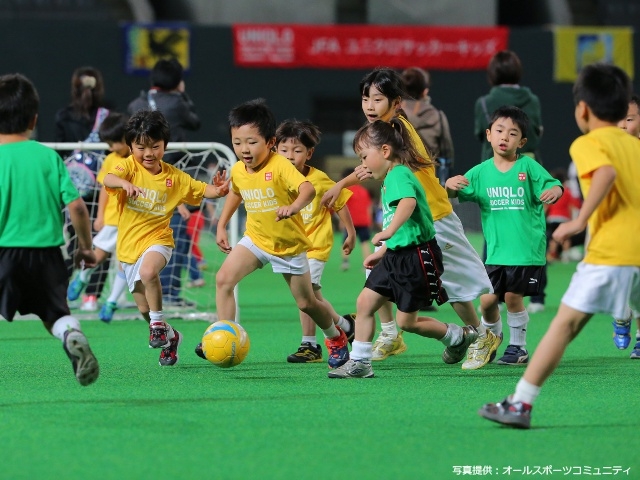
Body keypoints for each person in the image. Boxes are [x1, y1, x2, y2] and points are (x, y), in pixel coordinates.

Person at [478, 63, 640, 429]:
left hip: (613, 255)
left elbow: (606, 174)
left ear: (582, 109)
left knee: (563, 326)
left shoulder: (588, 142)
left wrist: (580, 221)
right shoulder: (634, 145)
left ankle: (520, 404)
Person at [323, 68, 499, 370]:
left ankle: (482, 335)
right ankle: (391, 334)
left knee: (454, 284)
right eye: (366, 99)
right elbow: (369, 165)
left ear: (396, 103)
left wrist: (347, 187)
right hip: (405, 222)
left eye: (378, 99)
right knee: (375, 276)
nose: (369, 105)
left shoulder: (396, 131)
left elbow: (385, 172)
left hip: (432, 217)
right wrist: (341, 184)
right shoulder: (382, 134)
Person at [328, 119, 478, 378]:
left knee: (406, 322)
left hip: (417, 257)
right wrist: (384, 251)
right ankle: (360, 363)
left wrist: (388, 233)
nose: (362, 165)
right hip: (396, 254)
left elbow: (407, 204)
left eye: (364, 157)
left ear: (385, 151)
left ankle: (457, 336)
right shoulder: (389, 177)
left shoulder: (398, 175)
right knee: (364, 303)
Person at [210, 98, 350, 370]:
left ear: (270, 142)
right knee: (224, 279)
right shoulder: (239, 169)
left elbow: (307, 189)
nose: (244, 149)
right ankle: (226, 336)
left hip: (287, 245)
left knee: (307, 302)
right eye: (237, 142)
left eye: (252, 142)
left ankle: (336, 337)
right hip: (256, 239)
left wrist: (293, 206)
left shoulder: (280, 165)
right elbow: (236, 192)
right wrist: (221, 224)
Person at [102, 110, 229, 367]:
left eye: (155, 147)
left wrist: (219, 189)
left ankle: (159, 326)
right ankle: (171, 336)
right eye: (141, 147)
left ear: (165, 146)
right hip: (128, 248)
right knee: (142, 310)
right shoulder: (128, 167)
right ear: (130, 147)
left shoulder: (175, 177)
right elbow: (108, 178)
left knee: (149, 272)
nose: (148, 153)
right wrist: (123, 184)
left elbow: (204, 190)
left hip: (159, 240)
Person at [0, 73, 99, 385]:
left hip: (4, 251)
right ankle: (70, 332)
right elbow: (78, 207)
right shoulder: (48, 157)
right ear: (34, 118)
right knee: (54, 314)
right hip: (47, 254)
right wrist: (84, 247)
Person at [446, 106, 562, 365]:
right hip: (496, 251)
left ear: (521, 141)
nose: (504, 137)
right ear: (488, 134)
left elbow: (553, 183)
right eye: (499, 130)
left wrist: (555, 191)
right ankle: (492, 341)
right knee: (487, 302)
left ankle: (518, 347)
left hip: (525, 249)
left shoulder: (528, 166)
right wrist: (449, 186)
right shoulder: (480, 172)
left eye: (512, 133)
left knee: (512, 298)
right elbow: (454, 193)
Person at [275, 119, 357, 363]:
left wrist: (350, 233)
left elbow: (339, 201)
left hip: (315, 246)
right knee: (314, 297)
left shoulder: (319, 179)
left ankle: (310, 345)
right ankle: (345, 325)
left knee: (307, 295)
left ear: (309, 153)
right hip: (291, 246)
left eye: (297, 150)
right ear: (275, 149)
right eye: (284, 150)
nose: (290, 155)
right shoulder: (275, 177)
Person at [473, 50, 547, 313]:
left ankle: (495, 290)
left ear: (492, 74)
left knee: (493, 230)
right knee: (533, 228)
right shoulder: (533, 100)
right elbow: (537, 133)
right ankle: (537, 295)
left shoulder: (483, 102)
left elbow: (479, 135)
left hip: (493, 172)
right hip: (528, 170)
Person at [127, 57, 201, 306]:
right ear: (178, 81)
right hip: (171, 176)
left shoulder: (136, 103)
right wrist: (184, 95)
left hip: (140, 180)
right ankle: (169, 293)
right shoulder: (177, 103)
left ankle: (140, 294)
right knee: (175, 235)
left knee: (139, 236)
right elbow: (195, 122)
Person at [55, 66, 113, 312]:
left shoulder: (63, 115)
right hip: (103, 186)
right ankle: (92, 296)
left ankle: (65, 292)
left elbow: (60, 152)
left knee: (75, 241)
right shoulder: (108, 115)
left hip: (72, 187)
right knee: (102, 243)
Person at [67, 112, 131, 322]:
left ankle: (111, 301)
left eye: (114, 143)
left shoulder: (140, 159)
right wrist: (101, 215)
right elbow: (104, 188)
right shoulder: (111, 159)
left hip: (133, 223)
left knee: (125, 262)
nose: (111, 148)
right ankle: (82, 279)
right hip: (113, 219)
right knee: (97, 254)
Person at [613, 93, 640, 359]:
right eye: (618, 118)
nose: (623, 124)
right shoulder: (606, 154)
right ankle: (621, 317)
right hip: (615, 232)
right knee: (621, 286)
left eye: (629, 118)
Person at [401, 67, 454, 185]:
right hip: (429, 184)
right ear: (424, 91)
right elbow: (447, 155)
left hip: (398, 184)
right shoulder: (438, 116)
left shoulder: (390, 116)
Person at [544, 168, 581, 263]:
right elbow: (575, 204)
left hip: (552, 218)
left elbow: (546, 206)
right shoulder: (567, 192)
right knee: (565, 238)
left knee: (553, 238)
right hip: (564, 218)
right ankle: (565, 256)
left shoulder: (552, 191)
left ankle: (552, 254)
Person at [339, 167, 372, 272]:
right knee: (365, 242)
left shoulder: (346, 191)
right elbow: (369, 207)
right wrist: (369, 220)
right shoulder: (364, 191)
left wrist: (341, 221)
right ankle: (367, 264)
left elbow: (343, 207)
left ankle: (345, 263)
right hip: (363, 221)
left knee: (345, 241)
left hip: (350, 222)